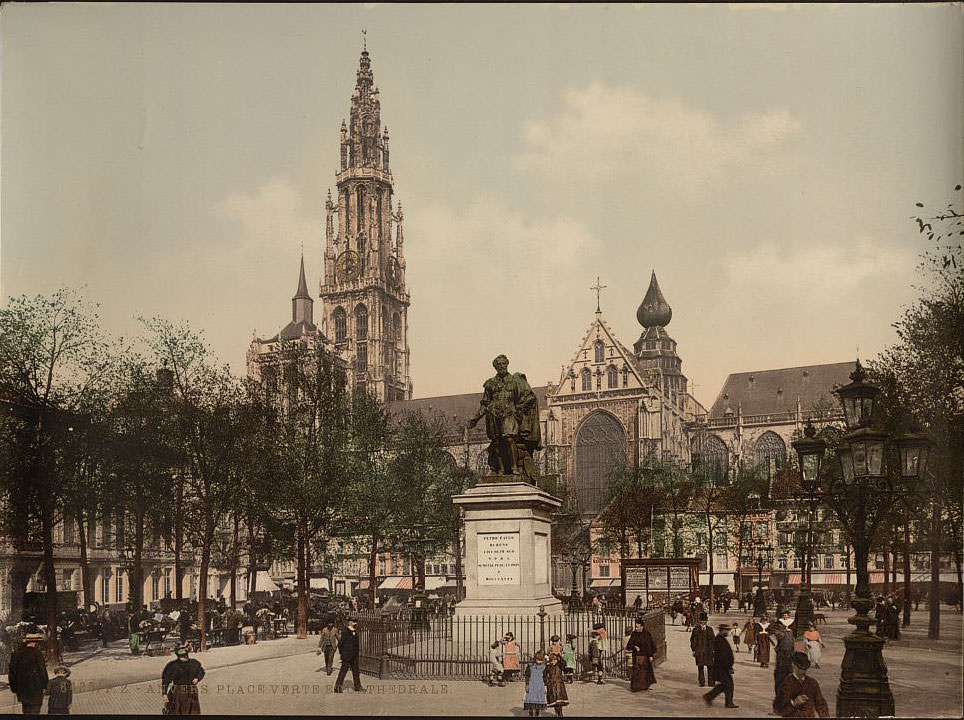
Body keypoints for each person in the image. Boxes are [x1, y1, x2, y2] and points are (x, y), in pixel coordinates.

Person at [467, 354, 542, 480]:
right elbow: (485, 403)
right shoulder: (490, 383)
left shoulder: (516, 380)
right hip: (493, 415)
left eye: (503, 364)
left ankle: (513, 468)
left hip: (509, 414)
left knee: (508, 438)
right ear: (495, 367)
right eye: (498, 365)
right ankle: (500, 469)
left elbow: (530, 397)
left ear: (507, 364)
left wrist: (519, 408)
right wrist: (475, 418)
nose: (501, 366)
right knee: (496, 442)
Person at [774, 651, 829, 717]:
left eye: (805, 668)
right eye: (800, 668)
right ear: (793, 665)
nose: (803, 671)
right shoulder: (786, 684)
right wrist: (793, 703)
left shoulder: (812, 683)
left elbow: (821, 704)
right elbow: (778, 709)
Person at [9, 633, 48, 714]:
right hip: (36, 688)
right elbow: (42, 671)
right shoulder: (37, 653)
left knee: (26, 710)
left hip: (22, 689)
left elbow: (12, 673)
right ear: (35, 642)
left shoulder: (16, 654)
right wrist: (45, 685)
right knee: (35, 711)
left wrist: (14, 688)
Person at [161, 644, 205, 715]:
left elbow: (201, 671)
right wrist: (164, 693)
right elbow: (166, 680)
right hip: (177, 693)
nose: (184, 657)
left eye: (186, 655)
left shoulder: (194, 663)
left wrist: (198, 678)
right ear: (178, 656)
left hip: (191, 691)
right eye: (182, 656)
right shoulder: (172, 665)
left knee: (192, 712)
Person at [703, 623, 738, 709]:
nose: (728, 632)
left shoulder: (721, 639)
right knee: (729, 684)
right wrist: (728, 666)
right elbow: (723, 655)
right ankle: (727, 702)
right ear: (722, 630)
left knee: (724, 685)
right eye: (727, 630)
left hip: (722, 667)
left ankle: (709, 696)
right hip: (722, 667)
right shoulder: (719, 640)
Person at [627, 618, 657, 692]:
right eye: (635, 627)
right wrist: (634, 647)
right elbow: (629, 645)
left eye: (637, 627)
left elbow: (650, 645)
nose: (636, 628)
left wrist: (651, 655)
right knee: (637, 671)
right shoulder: (634, 634)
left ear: (642, 627)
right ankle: (636, 687)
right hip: (637, 656)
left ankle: (645, 686)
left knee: (645, 671)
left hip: (645, 656)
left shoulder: (647, 634)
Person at [333, 619, 362, 693]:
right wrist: (342, 654)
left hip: (354, 655)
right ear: (349, 622)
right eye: (353, 622)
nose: (355, 623)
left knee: (356, 671)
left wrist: (357, 652)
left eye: (355, 622)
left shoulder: (355, 631)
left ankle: (358, 687)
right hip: (346, 655)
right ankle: (337, 687)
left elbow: (356, 644)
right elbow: (340, 644)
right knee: (343, 671)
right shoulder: (345, 631)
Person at [689, 614, 715, 687]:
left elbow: (713, 640)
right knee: (700, 667)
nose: (703, 622)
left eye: (704, 621)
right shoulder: (696, 629)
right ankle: (702, 682)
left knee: (710, 667)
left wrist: (713, 649)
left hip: (708, 651)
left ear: (706, 621)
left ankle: (711, 682)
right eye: (702, 621)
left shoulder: (710, 629)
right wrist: (693, 649)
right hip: (699, 651)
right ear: (700, 621)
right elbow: (692, 640)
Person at [771, 621, 795, 696]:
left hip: (783, 661)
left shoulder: (782, 634)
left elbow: (779, 636)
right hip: (789, 661)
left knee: (780, 679)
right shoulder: (790, 634)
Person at [524, 650, 548, 717]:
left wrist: (545, 686)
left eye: (541, 660)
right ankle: (530, 713)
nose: (539, 661)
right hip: (532, 685)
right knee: (531, 699)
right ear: (535, 659)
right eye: (538, 660)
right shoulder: (530, 666)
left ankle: (537, 713)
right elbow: (527, 676)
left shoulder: (544, 667)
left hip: (540, 685)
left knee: (538, 700)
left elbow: (545, 677)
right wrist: (527, 685)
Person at [545, 652, 569, 716]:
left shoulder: (559, 665)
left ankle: (560, 713)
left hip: (559, 685)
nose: (553, 662)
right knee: (554, 701)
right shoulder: (548, 666)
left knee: (559, 700)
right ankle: (556, 712)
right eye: (552, 660)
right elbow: (544, 674)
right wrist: (546, 683)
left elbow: (564, 663)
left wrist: (560, 656)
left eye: (555, 660)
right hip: (551, 685)